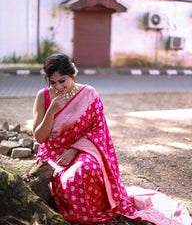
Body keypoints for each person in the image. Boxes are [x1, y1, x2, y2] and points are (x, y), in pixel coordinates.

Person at [33, 53, 192, 225]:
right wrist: (52, 110)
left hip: (83, 148)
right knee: (68, 179)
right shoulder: (44, 96)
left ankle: (95, 212)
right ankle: (79, 214)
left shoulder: (89, 94)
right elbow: (40, 137)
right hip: (54, 153)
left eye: (62, 80)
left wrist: (74, 150)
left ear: (72, 74)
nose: (58, 87)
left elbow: (98, 129)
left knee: (86, 170)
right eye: (53, 82)